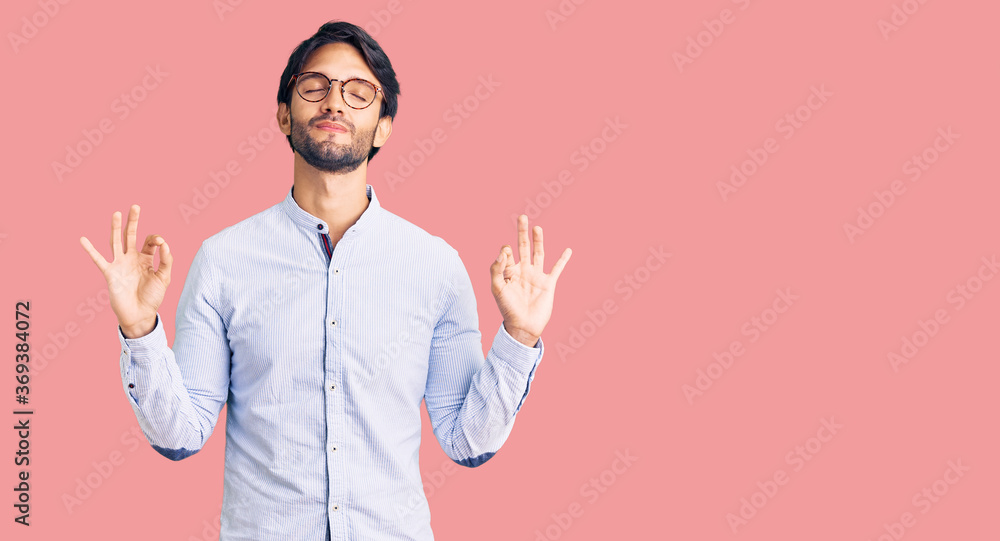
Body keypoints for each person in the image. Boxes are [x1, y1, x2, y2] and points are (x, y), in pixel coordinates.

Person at [79, 20, 571, 540]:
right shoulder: (223, 260)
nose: (335, 103)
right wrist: (140, 330)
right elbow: (180, 435)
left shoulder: (435, 267)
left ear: (382, 127)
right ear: (284, 114)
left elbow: (468, 441)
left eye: (359, 92)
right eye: (315, 86)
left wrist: (520, 337)